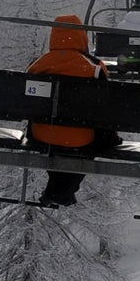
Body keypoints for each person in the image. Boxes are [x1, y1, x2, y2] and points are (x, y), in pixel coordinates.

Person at [25, 15, 117, 205]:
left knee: (59, 146)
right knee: (84, 146)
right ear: (82, 36)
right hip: (80, 138)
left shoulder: (38, 65)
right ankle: (60, 192)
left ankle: (60, 191)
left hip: (42, 134)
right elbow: (106, 106)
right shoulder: (94, 68)